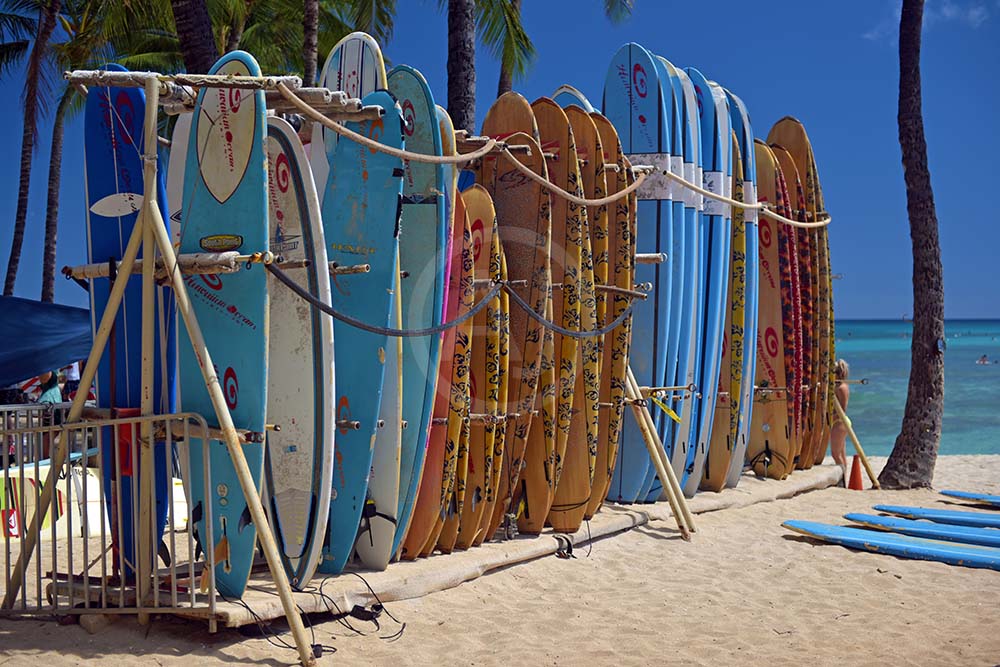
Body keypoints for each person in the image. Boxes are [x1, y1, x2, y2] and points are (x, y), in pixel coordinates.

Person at [829, 359, 850, 485]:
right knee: (842, 454)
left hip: (840, 422)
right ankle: (844, 481)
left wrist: (831, 416)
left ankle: (841, 481)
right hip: (840, 422)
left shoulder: (841, 387)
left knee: (835, 454)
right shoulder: (839, 386)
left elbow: (842, 409)